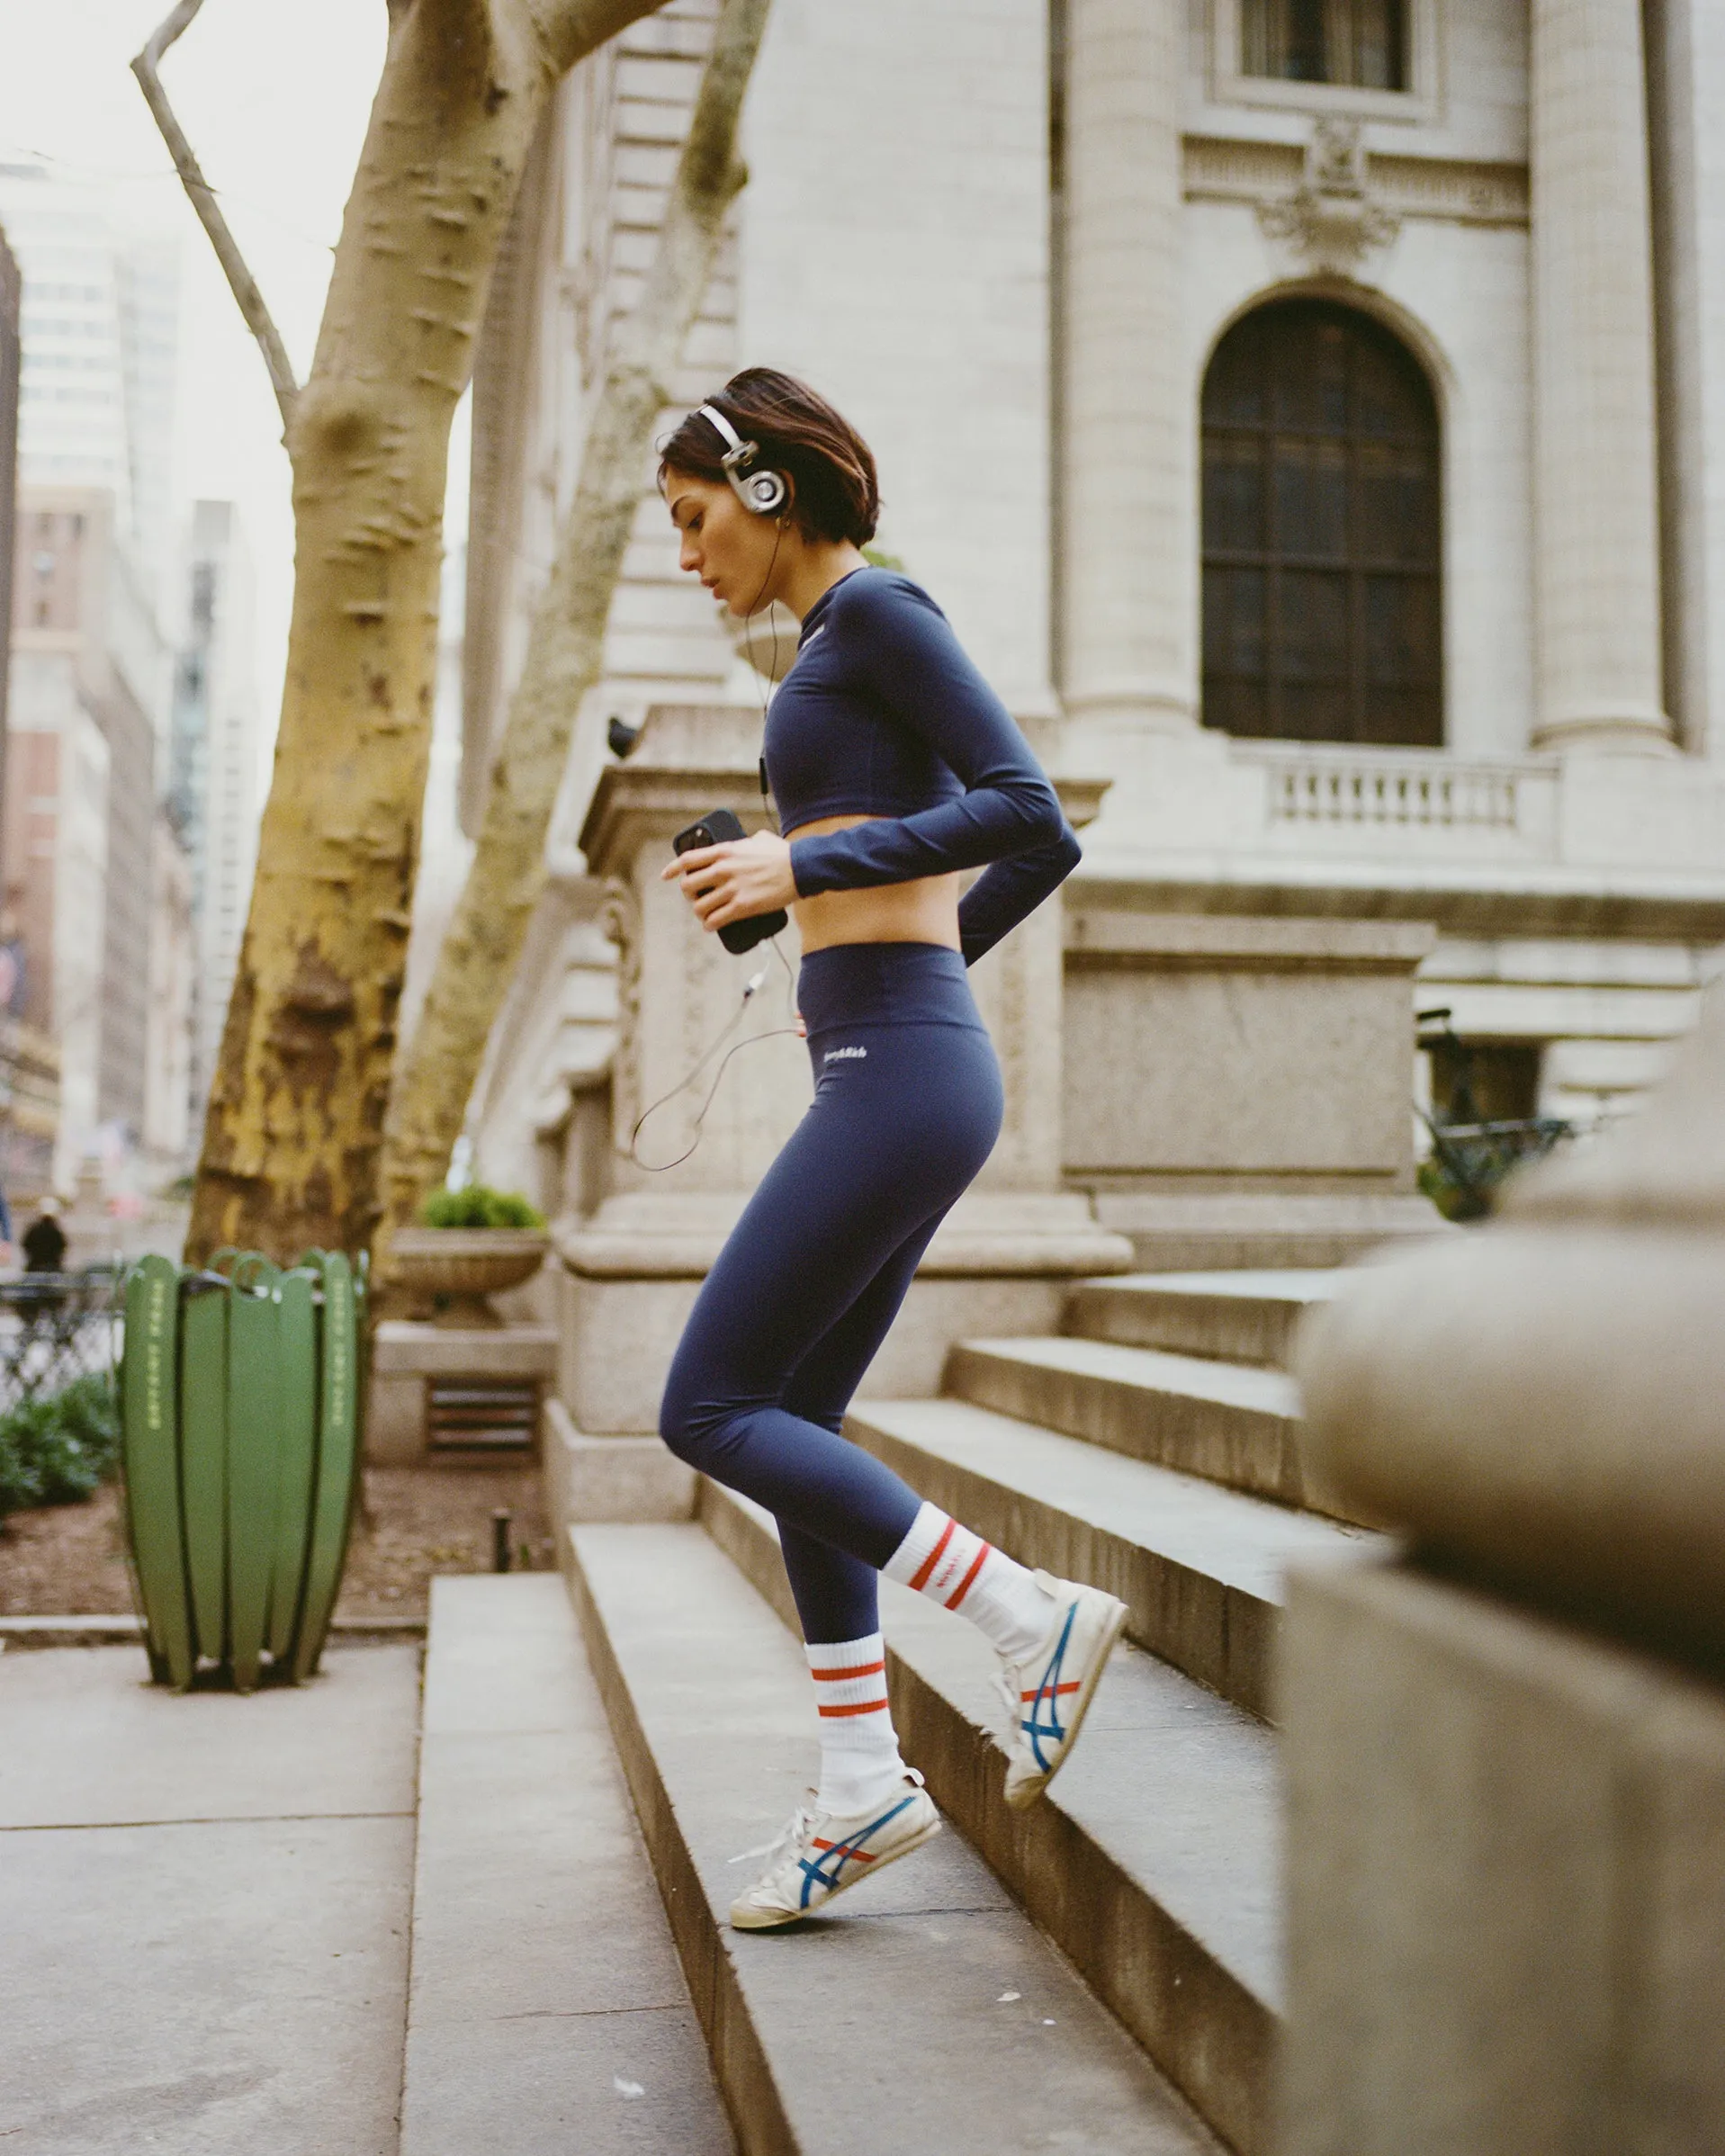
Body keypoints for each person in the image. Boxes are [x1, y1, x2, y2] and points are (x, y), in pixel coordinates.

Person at [656, 370, 1128, 1932]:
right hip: (891, 1054)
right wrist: (868, 954)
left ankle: (1026, 1614)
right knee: (794, 1410)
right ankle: (860, 1784)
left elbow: (1029, 806)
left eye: (695, 514)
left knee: (709, 1406)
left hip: (904, 1071)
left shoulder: (880, 617)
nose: (686, 551)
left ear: (769, 489)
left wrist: (813, 871)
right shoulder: (828, 650)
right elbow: (1015, 852)